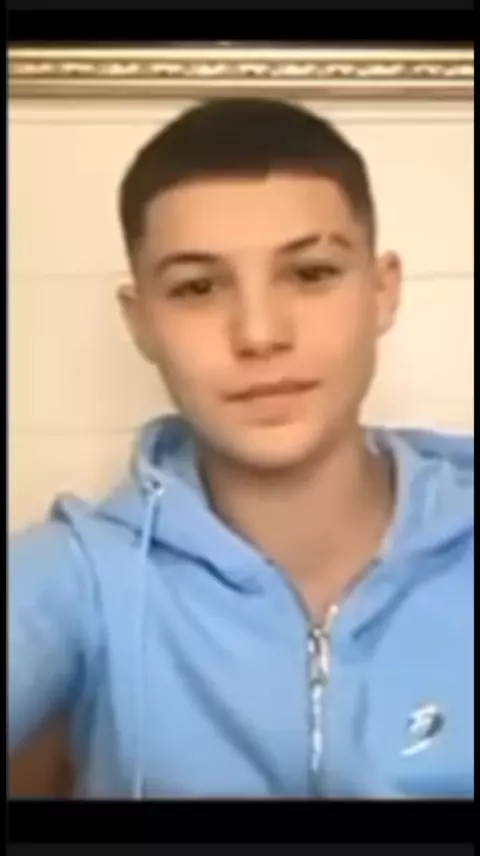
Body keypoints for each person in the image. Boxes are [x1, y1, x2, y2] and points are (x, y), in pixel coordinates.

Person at [8, 98, 473, 799]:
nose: (259, 334)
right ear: (141, 323)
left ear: (382, 292)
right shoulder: (77, 575)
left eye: (311, 273)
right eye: (197, 287)